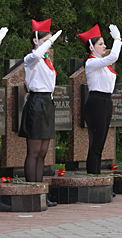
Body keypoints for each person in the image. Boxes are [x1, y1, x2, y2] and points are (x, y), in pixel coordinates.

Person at [19, 19, 61, 207]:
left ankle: (41, 192)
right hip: (36, 102)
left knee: (43, 152)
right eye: (45, 41)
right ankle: (32, 192)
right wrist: (47, 43)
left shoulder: (45, 60)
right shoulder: (31, 59)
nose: (49, 44)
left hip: (47, 102)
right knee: (34, 151)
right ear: (36, 41)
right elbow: (36, 56)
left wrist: (48, 42)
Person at [78, 24, 122, 174]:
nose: (104, 46)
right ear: (91, 47)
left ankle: (96, 176)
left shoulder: (102, 63)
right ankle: (93, 176)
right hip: (96, 101)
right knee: (96, 143)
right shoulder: (91, 62)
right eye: (101, 44)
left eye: (104, 43)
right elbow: (114, 56)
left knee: (101, 142)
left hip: (106, 100)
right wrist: (117, 39)